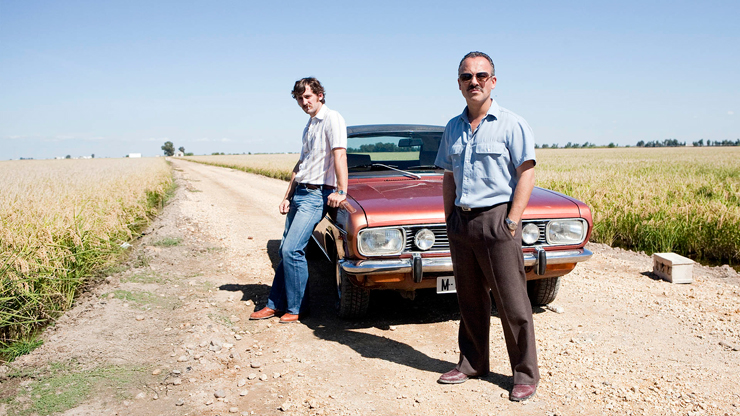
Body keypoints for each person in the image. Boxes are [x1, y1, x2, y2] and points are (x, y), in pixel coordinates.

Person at [434, 52, 539, 401]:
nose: (473, 81)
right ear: (459, 83)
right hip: (461, 221)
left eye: (481, 75)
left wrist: (512, 220)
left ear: (493, 81)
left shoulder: (511, 123)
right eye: (467, 76)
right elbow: (448, 175)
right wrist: (449, 218)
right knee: (469, 298)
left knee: (512, 303)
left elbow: (526, 172)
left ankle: (524, 374)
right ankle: (473, 362)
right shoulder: (452, 127)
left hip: (497, 219)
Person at [250, 77, 348, 324]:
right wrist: (287, 196)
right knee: (286, 251)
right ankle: (274, 304)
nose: (304, 102)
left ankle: (297, 307)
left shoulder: (332, 118)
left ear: (320, 95)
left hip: (316, 195)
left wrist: (342, 191)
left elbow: (340, 155)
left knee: (292, 249)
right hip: (300, 193)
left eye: (308, 97)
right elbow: (300, 165)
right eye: (299, 98)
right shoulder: (309, 125)